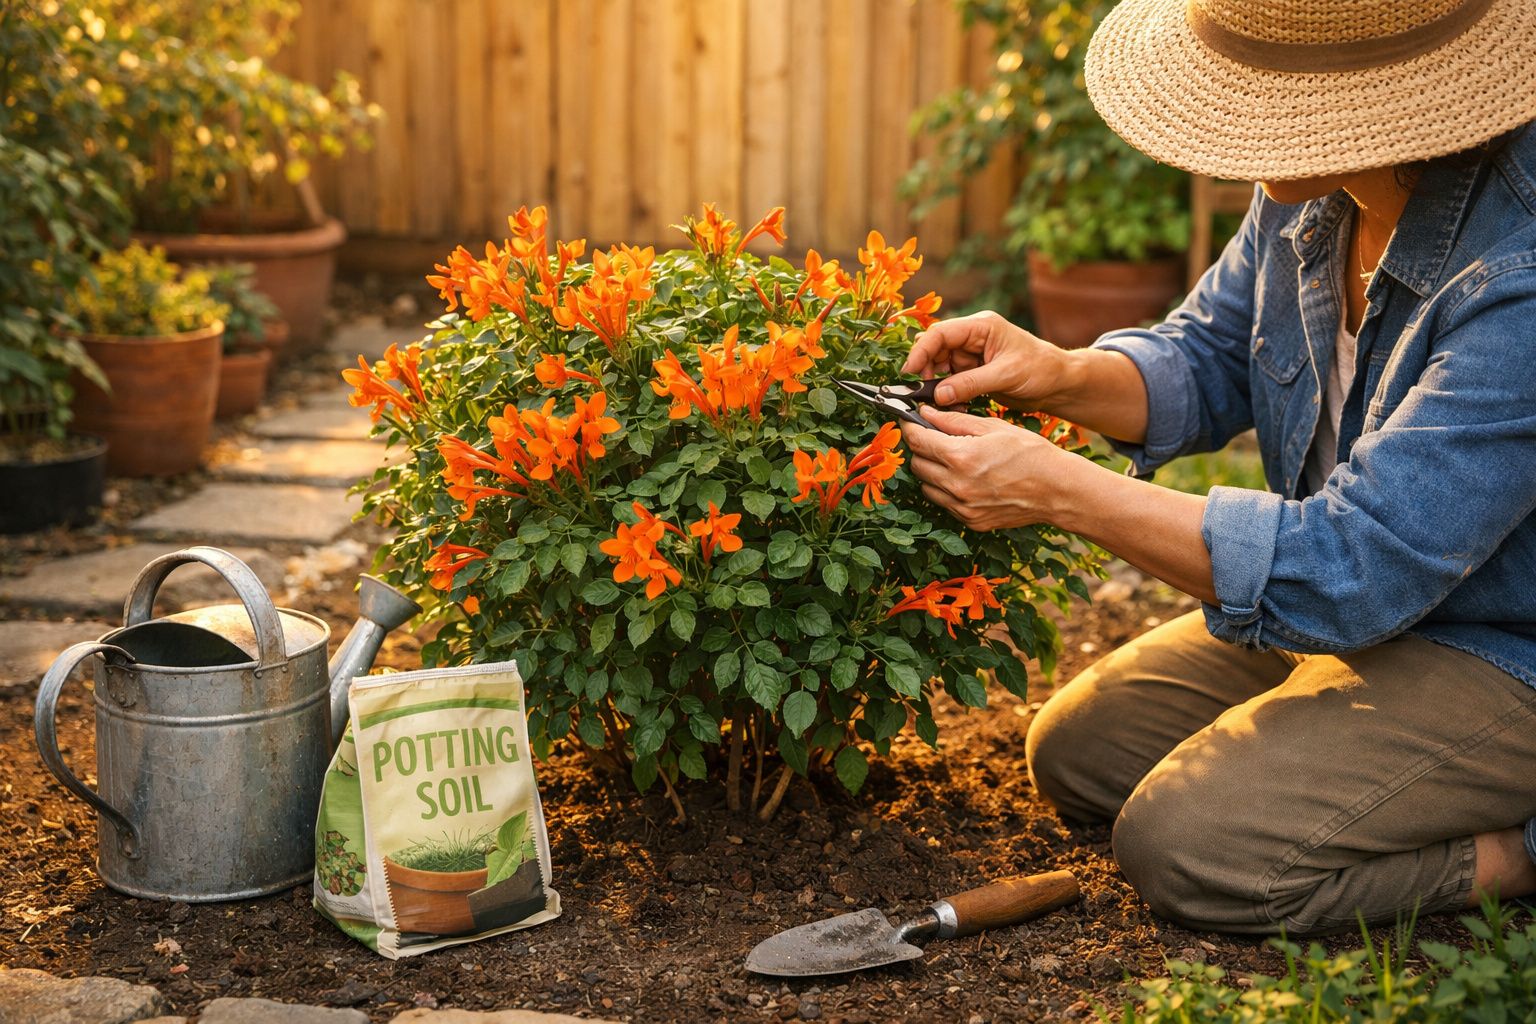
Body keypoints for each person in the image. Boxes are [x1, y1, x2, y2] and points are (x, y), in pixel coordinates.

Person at [900, 0, 1536, 935]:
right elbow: (1206, 355)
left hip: (1500, 643)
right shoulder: (1320, 181)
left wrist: (1060, 490)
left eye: (1265, 97)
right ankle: (1342, 742)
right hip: (1360, 608)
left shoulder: (1516, 274)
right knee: (1082, 751)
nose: (1239, 130)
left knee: (1191, 845)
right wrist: (1061, 373)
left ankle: (1519, 848)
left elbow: (1355, 565)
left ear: (1373, 106)